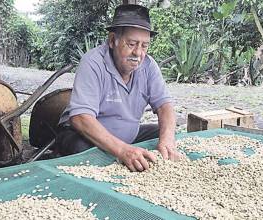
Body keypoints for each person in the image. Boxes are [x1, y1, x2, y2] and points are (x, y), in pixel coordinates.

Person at [56, 4, 180, 172]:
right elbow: (80, 118)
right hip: (81, 135)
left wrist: (167, 140)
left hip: (126, 137)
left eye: (144, 46)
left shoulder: (149, 66)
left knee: (167, 133)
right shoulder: (93, 62)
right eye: (131, 44)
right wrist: (122, 150)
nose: (138, 53)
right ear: (112, 40)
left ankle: (130, 155)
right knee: (84, 152)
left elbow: (165, 106)